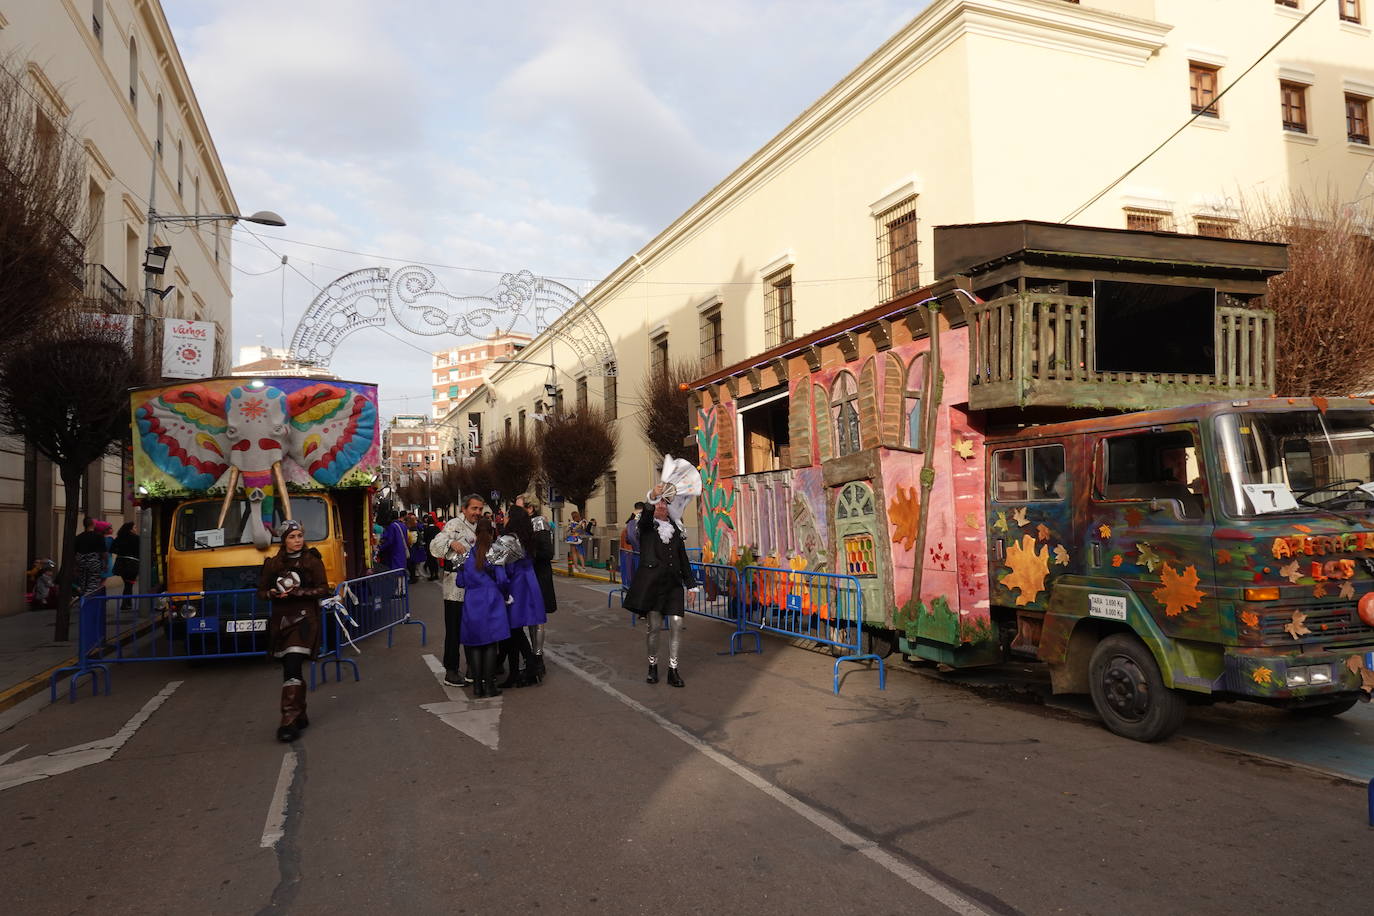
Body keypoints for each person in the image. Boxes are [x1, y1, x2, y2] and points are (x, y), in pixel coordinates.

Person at [257, 520, 332, 742]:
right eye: (292, 537)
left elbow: (323, 588)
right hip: (281, 622)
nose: (297, 540)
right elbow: (260, 591)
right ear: (284, 540)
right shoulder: (273, 563)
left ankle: (288, 720)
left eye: (299, 535)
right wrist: (272, 593)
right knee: (291, 668)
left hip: (305, 620)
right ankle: (300, 714)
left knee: (292, 663)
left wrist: (297, 592)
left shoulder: (312, 561)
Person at [623, 484, 698, 688]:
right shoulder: (646, 526)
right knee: (654, 627)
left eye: (664, 503)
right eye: (658, 504)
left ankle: (673, 670)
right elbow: (647, 513)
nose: (661, 507)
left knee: (676, 625)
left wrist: (691, 586)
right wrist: (652, 497)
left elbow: (683, 559)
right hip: (653, 585)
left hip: (673, 585)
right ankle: (652, 665)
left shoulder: (676, 529)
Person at [431, 494, 485, 687]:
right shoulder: (454, 524)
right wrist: (450, 543)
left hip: (474, 587)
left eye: (480, 509)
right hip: (454, 586)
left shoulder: (482, 526)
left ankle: (473, 667)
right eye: (474, 509)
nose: (477, 513)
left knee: (472, 628)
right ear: (464, 509)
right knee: (454, 631)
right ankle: (451, 671)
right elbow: (435, 545)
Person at [454, 517, 512, 697]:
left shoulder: (466, 555)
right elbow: (502, 580)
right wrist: (505, 595)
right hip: (492, 599)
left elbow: (460, 581)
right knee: (490, 645)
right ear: (493, 532)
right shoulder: (495, 553)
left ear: (476, 533)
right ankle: (489, 686)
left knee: (475, 644)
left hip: (472, 600)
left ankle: (477, 687)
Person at [499, 502, 547, 687]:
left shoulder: (509, 540)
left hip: (517, 586)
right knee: (516, 630)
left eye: (507, 515)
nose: (504, 518)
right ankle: (526, 669)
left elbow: (491, 560)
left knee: (514, 630)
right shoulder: (526, 538)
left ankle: (529, 667)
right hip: (528, 583)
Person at [517, 493, 556, 678]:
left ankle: (538, 658)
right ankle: (530, 657)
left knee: (537, 618)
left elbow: (547, 552)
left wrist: (526, 553)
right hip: (524, 575)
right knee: (528, 618)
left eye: (519, 508)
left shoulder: (539, 523)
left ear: (530, 508)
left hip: (538, 575)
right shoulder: (519, 525)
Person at [72, 516, 107, 598]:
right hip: (94, 562)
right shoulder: (98, 536)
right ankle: (90, 601)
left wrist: (75, 566)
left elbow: (74, 553)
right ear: (93, 524)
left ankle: (83, 599)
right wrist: (105, 564)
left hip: (82, 562)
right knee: (93, 582)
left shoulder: (79, 537)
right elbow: (103, 552)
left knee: (83, 582)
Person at [111, 521, 140, 611]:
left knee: (128, 583)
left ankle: (127, 603)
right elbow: (141, 550)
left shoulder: (119, 538)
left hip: (120, 563)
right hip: (132, 563)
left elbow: (112, 549)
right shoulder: (137, 538)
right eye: (135, 527)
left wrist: (121, 552)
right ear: (130, 529)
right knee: (129, 584)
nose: (136, 529)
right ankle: (125, 603)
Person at [377, 509, 410, 573]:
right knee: (402, 573)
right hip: (402, 553)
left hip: (395, 553)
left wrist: (380, 548)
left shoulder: (392, 526)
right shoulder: (403, 525)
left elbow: (390, 541)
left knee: (396, 574)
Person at [421, 514, 441, 581]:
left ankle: (432, 575)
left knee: (430, 561)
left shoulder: (426, 529)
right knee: (435, 561)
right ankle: (436, 574)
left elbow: (425, 538)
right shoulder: (437, 528)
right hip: (436, 546)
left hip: (429, 547)